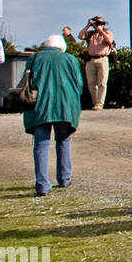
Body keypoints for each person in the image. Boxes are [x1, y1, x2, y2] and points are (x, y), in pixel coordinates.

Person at [23, 34, 83, 196]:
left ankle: (42, 185)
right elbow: (79, 84)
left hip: (40, 106)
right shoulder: (70, 59)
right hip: (65, 106)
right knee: (63, 140)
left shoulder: (35, 58)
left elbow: (26, 81)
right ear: (61, 47)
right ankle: (64, 178)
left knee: (41, 144)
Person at [77, 16, 114, 110]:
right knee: (91, 83)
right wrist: (88, 25)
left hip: (103, 59)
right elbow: (80, 36)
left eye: (100, 23)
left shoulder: (107, 33)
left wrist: (101, 31)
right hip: (91, 60)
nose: (98, 25)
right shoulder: (90, 34)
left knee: (102, 83)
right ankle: (95, 103)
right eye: (97, 23)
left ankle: (100, 103)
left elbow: (110, 41)